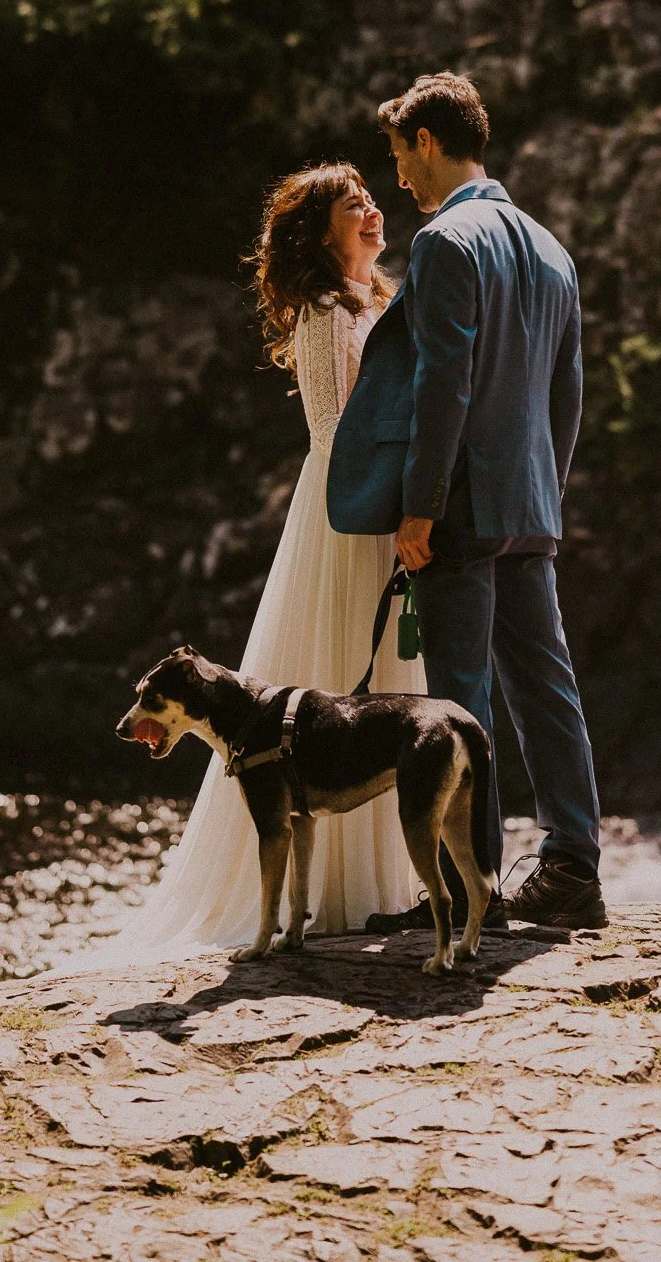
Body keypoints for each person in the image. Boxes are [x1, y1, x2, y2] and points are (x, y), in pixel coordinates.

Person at [103, 162, 421, 962]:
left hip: (380, 504)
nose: (373, 210)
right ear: (321, 233)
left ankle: (384, 887)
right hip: (346, 513)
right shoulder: (322, 313)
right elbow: (331, 432)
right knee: (346, 665)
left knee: (388, 683)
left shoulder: (376, 299)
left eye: (371, 199)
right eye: (354, 205)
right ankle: (327, 897)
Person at [327, 72, 606, 931]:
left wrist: (419, 507)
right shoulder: (549, 247)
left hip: (460, 505)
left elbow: (439, 387)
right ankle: (572, 870)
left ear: (428, 141)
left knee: (457, 702)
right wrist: (544, 499)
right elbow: (568, 393)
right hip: (526, 504)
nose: (398, 181)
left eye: (399, 158)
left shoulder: (448, 242)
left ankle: (463, 886)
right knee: (545, 686)